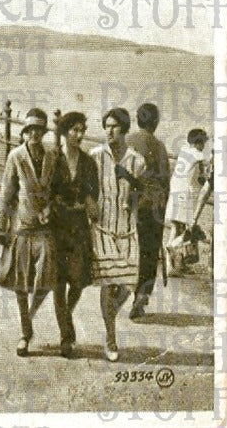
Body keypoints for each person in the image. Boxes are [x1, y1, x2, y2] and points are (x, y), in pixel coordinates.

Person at [0, 108, 63, 358]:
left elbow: (57, 190)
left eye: (39, 130)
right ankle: (26, 332)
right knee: (20, 282)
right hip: (22, 227)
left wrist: (51, 207)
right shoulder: (16, 156)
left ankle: (31, 317)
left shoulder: (52, 156)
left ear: (43, 133)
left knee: (47, 277)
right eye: (30, 130)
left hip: (44, 227)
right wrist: (0, 225)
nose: (35, 134)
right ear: (24, 133)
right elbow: (6, 192)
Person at [91, 107, 146, 362]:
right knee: (108, 281)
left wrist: (133, 187)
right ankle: (111, 337)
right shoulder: (95, 157)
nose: (109, 131)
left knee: (128, 283)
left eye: (114, 126)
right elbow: (87, 191)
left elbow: (142, 198)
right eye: (106, 126)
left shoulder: (136, 161)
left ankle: (109, 315)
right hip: (102, 228)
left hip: (127, 229)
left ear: (124, 129)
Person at [52, 111, 98, 358]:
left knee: (78, 280)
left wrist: (90, 204)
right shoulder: (53, 159)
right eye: (75, 130)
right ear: (64, 131)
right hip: (57, 228)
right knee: (59, 283)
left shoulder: (88, 162)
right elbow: (45, 191)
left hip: (79, 227)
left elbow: (94, 194)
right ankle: (66, 337)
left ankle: (66, 316)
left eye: (82, 130)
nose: (79, 135)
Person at [126, 103, 169, 320]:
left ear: (137, 119)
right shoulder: (160, 147)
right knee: (149, 253)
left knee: (127, 249)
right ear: (156, 122)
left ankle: (119, 293)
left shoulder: (128, 141)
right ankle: (141, 297)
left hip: (131, 203)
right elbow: (165, 182)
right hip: (154, 207)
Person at [166, 128, 208, 275]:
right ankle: (172, 246)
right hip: (185, 193)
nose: (204, 146)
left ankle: (172, 266)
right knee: (186, 229)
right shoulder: (199, 155)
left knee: (175, 227)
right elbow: (203, 178)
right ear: (198, 143)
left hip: (174, 189)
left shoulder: (184, 150)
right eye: (203, 143)